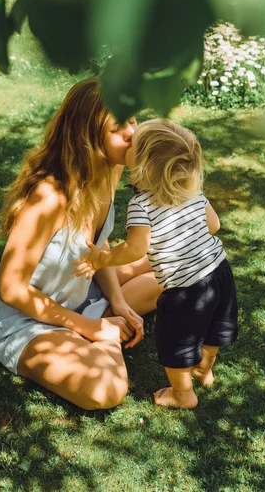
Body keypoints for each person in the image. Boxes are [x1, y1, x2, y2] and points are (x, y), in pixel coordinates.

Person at [0, 76, 162, 410]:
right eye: (118, 126)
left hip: (80, 292)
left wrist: (120, 303)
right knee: (104, 391)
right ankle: (107, 336)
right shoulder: (48, 197)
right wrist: (94, 330)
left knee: (169, 267)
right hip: (28, 322)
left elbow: (100, 246)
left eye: (133, 119)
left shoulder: (109, 171)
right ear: (88, 139)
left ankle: (108, 319)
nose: (133, 133)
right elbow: (11, 289)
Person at [73, 118, 238, 409]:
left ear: (143, 165)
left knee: (175, 339)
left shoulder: (142, 205)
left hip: (186, 289)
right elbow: (214, 224)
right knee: (214, 328)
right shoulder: (191, 191)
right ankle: (204, 369)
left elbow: (136, 248)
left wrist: (103, 258)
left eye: (134, 143)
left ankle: (182, 394)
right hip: (220, 272)